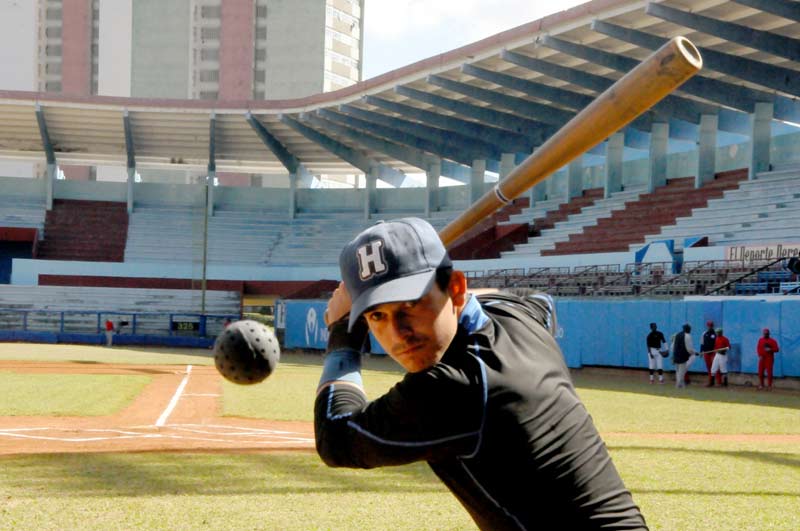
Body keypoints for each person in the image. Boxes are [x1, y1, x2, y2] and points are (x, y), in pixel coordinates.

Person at [315, 218, 648, 530]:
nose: (398, 333)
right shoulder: (519, 320)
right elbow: (537, 301)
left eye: (410, 306)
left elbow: (335, 438)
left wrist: (343, 336)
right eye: (377, 316)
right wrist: (445, 291)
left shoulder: (452, 387)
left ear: (457, 289)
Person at [671, 323, 696, 389]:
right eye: (689, 329)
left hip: (676, 355)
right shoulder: (688, 336)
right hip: (682, 356)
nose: (690, 330)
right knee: (681, 372)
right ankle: (678, 385)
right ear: (687, 329)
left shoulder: (677, 335)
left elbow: (673, 346)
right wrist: (694, 352)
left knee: (678, 371)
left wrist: (673, 356)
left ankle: (682, 386)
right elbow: (689, 349)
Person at [700, 320, 717, 385]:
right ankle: (710, 381)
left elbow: (716, 343)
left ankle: (717, 381)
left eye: (711, 326)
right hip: (706, 353)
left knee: (714, 367)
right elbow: (702, 343)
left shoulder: (715, 334)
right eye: (709, 325)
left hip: (713, 353)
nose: (710, 327)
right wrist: (701, 351)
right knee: (709, 367)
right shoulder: (704, 334)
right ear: (707, 326)